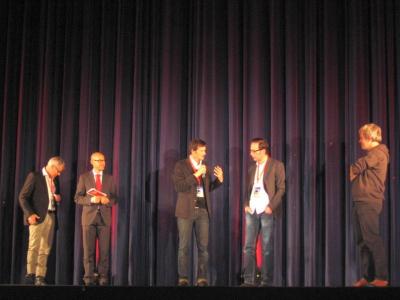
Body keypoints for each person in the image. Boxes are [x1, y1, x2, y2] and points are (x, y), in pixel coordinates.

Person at [172, 139, 224, 286]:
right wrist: (195, 175)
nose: (205, 153)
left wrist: (219, 180)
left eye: (205, 150)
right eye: (202, 150)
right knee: (184, 246)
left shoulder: (204, 168)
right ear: (193, 151)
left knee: (203, 248)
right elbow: (179, 186)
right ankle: (183, 278)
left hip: (203, 212)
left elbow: (208, 189)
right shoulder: (181, 165)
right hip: (185, 211)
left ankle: (201, 278)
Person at [241, 138, 285, 287]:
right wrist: (246, 204)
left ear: (263, 150)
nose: (251, 154)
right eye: (251, 150)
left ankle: (266, 281)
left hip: (266, 210)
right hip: (252, 210)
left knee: (266, 247)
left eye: (254, 151)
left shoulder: (276, 165)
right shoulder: (252, 168)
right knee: (249, 247)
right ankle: (249, 280)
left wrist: (271, 206)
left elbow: (281, 189)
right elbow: (248, 189)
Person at [350, 123, 389, 287]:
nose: (360, 141)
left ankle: (382, 277)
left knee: (372, 239)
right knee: (362, 241)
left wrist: (353, 171)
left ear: (370, 137)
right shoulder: (373, 154)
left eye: (362, 138)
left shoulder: (378, 152)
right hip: (360, 201)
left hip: (369, 202)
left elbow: (358, 166)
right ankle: (368, 276)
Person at [19, 156, 65, 285]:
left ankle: (40, 276)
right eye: (58, 171)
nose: (59, 174)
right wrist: (30, 214)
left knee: (45, 248)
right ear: (51, 166)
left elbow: (49, 197)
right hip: (37, 216)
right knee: (34, 246)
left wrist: (57, 198)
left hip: (51, 216)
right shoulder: (35, 176)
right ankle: (30, 274)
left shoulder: (54, 180)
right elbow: (23, 197)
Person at [75, 152, 117, 286]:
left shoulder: (110, 178)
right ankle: (88, 277)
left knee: (104, 251)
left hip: (104, 219)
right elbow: (77, 198)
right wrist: (91, 199)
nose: (102, 163)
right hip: (89, 218)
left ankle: (103, 277)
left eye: (103, 160)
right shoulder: (84, 177)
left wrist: (107, 201)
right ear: (92, 162)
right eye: (99, 160)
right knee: (89, 250)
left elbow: (115, 198)